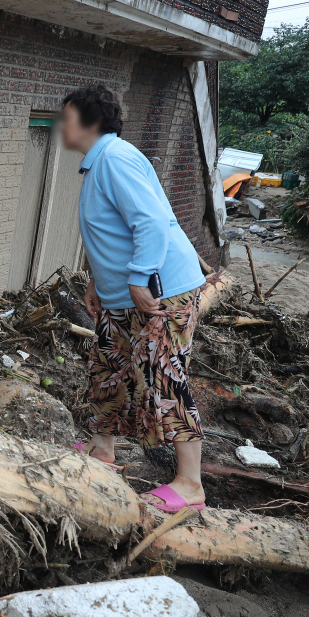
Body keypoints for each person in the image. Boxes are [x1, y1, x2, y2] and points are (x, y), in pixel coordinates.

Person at [58, 84, 209, 513]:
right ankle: (102, 450)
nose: (61, 127)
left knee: (164, 377)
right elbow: (112, 233)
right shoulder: (99, 163)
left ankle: (190, 484)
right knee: (108, 367)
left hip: (162, 292)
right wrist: (96, 280)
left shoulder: (116, 159)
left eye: (66, 118)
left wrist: (141, 279)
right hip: (121, 297)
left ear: (88, 122)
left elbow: (151, 223)